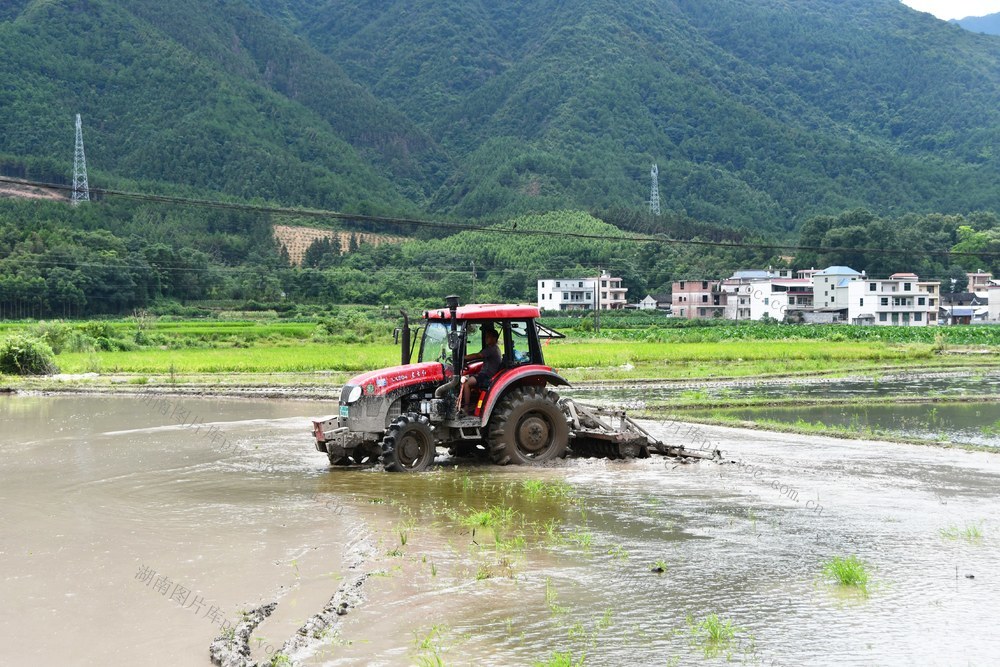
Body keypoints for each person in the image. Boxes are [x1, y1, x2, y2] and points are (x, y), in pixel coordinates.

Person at [462, 326, 501, 412]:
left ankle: (466, 407)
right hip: (484, 374)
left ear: (494, 338)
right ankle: (471, 403)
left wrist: (463, 358)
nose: (486, 339)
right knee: (464, 377)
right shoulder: (491, 348)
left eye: (488, 337)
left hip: (486, 376)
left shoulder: (492, 349)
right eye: (486, 337)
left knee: (467, 383)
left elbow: (478, 355)